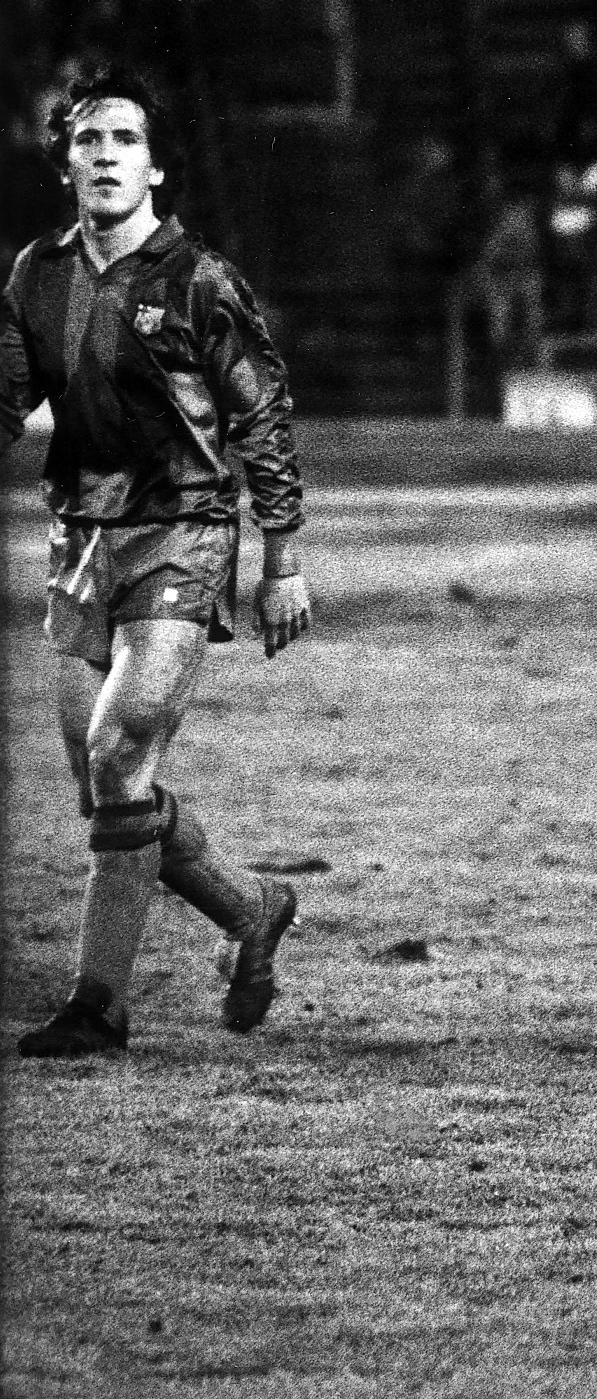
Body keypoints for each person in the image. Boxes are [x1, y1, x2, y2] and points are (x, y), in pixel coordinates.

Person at [1, 68, 313, 1057]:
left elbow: (260, 409)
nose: (105, 157)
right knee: (108, 792)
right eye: (88, 141)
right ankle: (252, 908)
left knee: (116, 753)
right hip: (78, 538)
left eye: (123, 140)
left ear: (155, 165)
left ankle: (97, 1006)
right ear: (66, 165)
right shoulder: (34, 276)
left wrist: (283, 557)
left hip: (184, 529)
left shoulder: (199, 278)